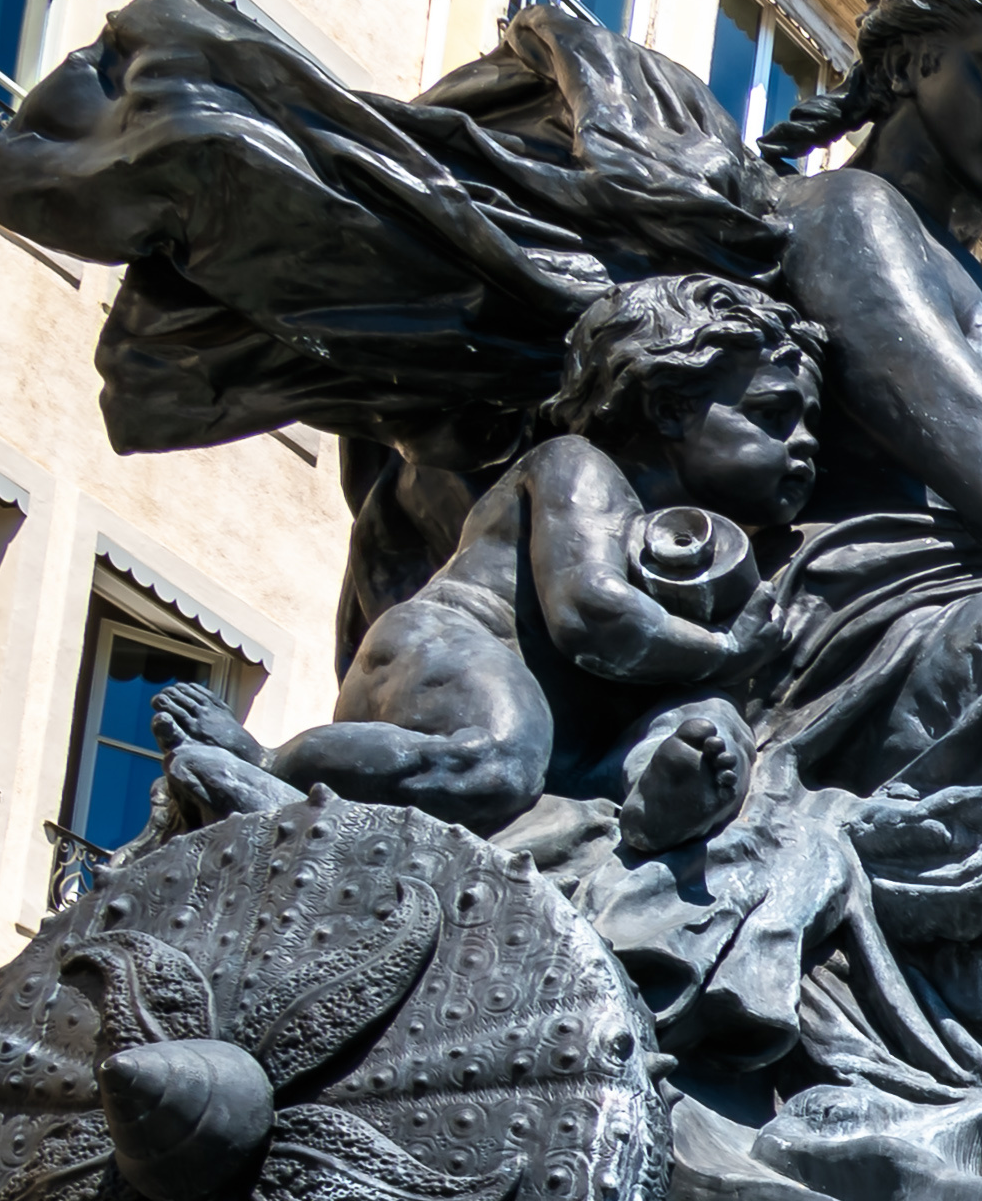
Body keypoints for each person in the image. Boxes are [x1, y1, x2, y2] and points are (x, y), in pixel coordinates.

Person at [261, 271, 822, 829]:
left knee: (714, 720)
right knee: (502, 764)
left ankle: (659, 799)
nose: (806, 441)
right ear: (670, 406)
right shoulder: (576, 464)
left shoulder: (706, 546)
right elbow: (590, 613)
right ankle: (273, 765)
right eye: (773, 415)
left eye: (810, 421)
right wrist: (725, 650)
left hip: (564, 732)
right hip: (452, 650)